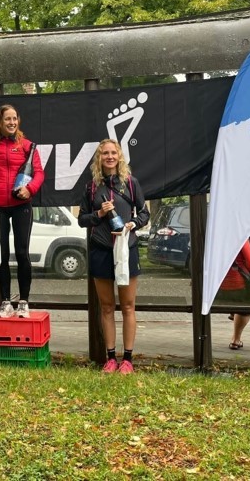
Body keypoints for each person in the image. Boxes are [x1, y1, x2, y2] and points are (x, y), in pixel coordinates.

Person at [78, 139, 150, 374]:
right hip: (100, 250)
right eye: (105, 153)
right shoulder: (91, 187)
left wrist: (132, 224)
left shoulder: (130, 183)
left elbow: (144, 213)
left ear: (119, 156)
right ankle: (110, 358)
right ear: (99, 158)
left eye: (113, 153)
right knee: (107, 307)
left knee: (128, 306)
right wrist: (99, 213)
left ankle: (127, 359)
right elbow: (82, 220)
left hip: (126, 249)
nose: (109, 157)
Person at [0, 104, 45, 319]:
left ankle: (23, 302)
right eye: (7, 119)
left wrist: (29, 189)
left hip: (21, 207)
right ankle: (6, 302)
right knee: (2, 255)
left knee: (22, 252)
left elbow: (39, 174)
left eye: (14, 118)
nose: (12, 122)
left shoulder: (27, 146)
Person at [216, 239, 250, 350]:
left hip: (217, 288)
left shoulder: (214, 237)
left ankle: (233, 313)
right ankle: (235, 340)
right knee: (246, 307)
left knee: (234, 299)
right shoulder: (241, 237)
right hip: (237, 286)